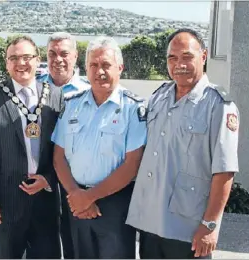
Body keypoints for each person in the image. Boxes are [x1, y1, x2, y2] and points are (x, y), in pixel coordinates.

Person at [126, 28, 239, 259]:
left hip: (187, 228)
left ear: (203, 56)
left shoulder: (218, 105)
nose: (180, 64)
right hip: (151, 224)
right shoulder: (159, 96)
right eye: (172, 58)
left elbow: (225, 170)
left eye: (187, 56)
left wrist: (210, 226)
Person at [52, 36, 147, 259]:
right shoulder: (72, 104)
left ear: (120, 68)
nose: (99, 71)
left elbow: (132, 165)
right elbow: (58, 157)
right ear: (86, 68)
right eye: (93, 65)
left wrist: (90, 196)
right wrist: (77, 195)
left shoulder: (133, 108)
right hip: (74, 200)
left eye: (106, 65)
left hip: (114, 204)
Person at [0, 35, 62, 259]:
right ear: (6, 63)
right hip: (6, 203)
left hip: (45, 201)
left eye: (26, 57)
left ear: (37, 60)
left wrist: (48, 179)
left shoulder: (56, 95)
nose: (21, 63)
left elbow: (62, 149)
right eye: (14, 58)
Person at [37, 31, 90, 259]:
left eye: (64, 54)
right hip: (40, 181)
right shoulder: (33, 89)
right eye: (52, 54)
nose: (58, 59)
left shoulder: (89, 92)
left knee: (74, 246)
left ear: (75, 56)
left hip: (75, 181)